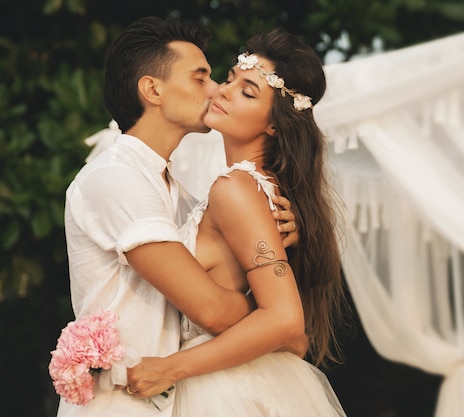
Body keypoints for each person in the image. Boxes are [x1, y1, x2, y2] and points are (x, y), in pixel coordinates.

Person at [58, 17, 300, 417]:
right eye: (201, 78)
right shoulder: (114, 177)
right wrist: (274, 320)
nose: (217, 90)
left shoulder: (185, 197)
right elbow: (213, 311)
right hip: (120, 404)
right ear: (153, 89)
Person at [125, 29, 347, 416]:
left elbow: (285, 320)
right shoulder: (256, 191)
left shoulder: (236, 189)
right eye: (229, 79)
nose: (223, 92)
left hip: (222, 389)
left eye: (247, 92)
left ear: (274, 125)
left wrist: (170, 368)